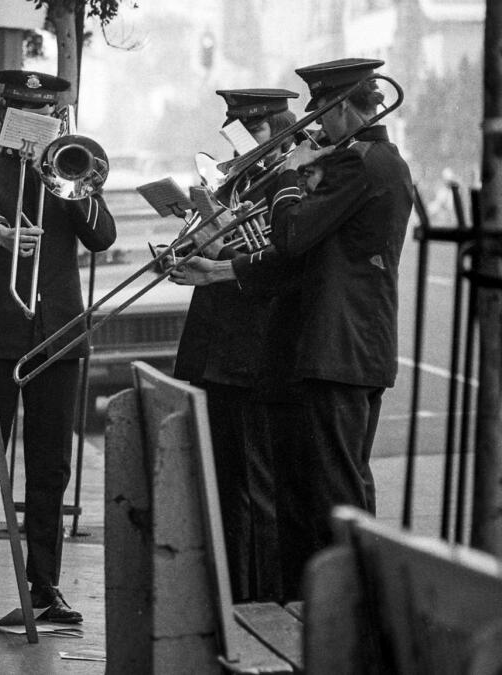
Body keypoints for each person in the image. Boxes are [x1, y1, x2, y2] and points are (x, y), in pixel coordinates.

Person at [169, 58, 413, 600]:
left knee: (334, 499)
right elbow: (293, 259)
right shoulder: (357, 160)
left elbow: (294, 233)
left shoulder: (362, 163)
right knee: (307, 497)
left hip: (341, 348)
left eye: (323, 116)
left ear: (345, 107)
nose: (317, 130)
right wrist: (217, 268)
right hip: (330, 348)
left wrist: (286, 174)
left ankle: (350, 618)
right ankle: (307, 614)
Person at [0, 70, 116, 623]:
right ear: (5, 117)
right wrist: (0, 233)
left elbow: (103, 238)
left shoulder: (70, 171)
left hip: (58, 337)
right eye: (22, 114)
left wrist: (77, 179)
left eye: (44, 115)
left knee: (51, 467)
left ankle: (44, 583)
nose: (32, 123)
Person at [171, 88, 298, 602]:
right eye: (235, 131)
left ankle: (258, 598)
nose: (238, 140)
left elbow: (279, 259)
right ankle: (228, 592)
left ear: (277, 130)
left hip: (251, 350)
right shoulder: (234, 178)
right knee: (223, 485)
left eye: (251, 131)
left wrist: (223, 248)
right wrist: (191, 236)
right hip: (213, 349)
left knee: (254, 489)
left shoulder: (288, 181)